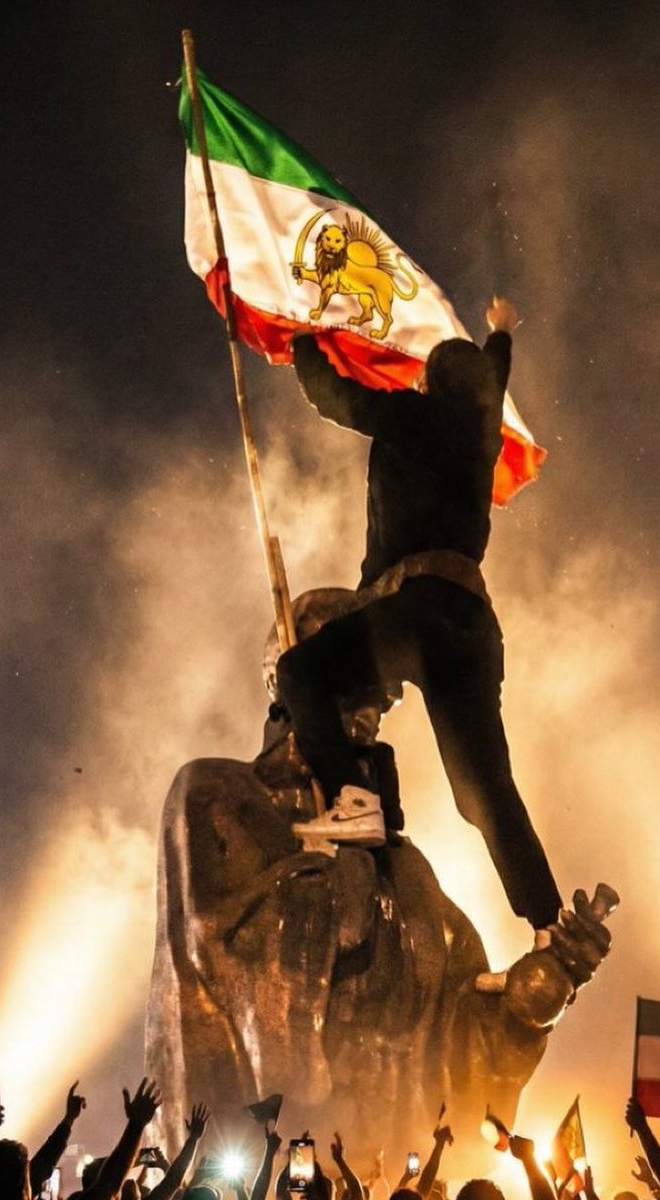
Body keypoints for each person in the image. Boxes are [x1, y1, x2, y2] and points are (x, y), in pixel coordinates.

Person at [278, 297, 563, 936]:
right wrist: (501, 335)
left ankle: (355, 801)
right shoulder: (481, 430)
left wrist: (300, 338)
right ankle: (550, 926)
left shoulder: (417, 417)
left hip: (416, 612)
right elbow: (494, 381)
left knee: (301, 673)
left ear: (430, 383)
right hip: (472, 624)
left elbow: (335, 399)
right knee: (483, 791)